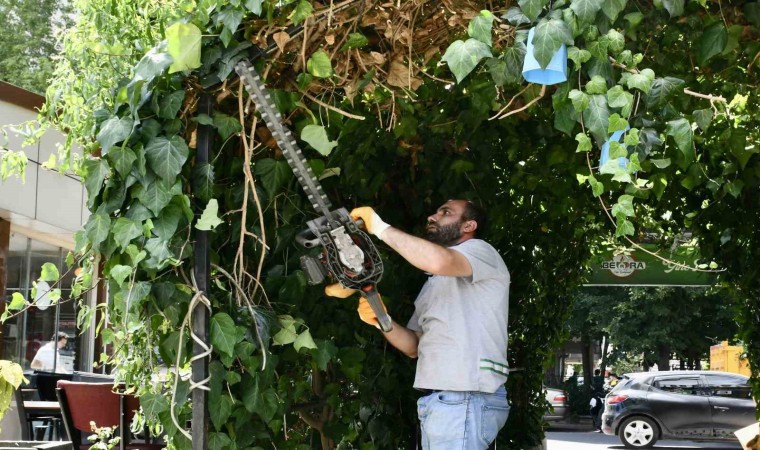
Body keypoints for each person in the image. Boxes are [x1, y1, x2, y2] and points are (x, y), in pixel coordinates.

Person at [326, 199, 511, 449]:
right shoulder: (434, 284)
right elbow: (414, 346)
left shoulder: (481, 252)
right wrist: (382, 321)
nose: (432, 217)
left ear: (469, 225)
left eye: (445, 212)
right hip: (441, 402)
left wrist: (379, 227)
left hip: (465, 398)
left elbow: (439, 260)